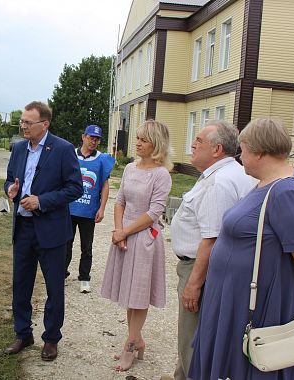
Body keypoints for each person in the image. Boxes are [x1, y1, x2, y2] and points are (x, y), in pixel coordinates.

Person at [189, 118, 294, 380]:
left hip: (259, 306)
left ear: (260, 151)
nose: (241, 157)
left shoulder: (287, 192)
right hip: (237, 300)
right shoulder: (270, 183)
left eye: (244, 149)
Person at [164, 121, 254, 380]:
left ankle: (191, 374)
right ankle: (182, 374)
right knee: (193, 333)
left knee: (193, 336)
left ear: (217, 149)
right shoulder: (225, 174)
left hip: (200, 267)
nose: (193, 144)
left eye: (199, 140)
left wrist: (193, 284)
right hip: (203, 266)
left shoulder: (220, 181)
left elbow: (212, 238)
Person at [3, 101, 83, 362]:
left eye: (28, 122)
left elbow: (75, 188)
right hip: (23, 227)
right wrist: (10, 191)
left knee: (54, 288)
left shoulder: (63, 149)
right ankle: (23, 333)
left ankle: (51, 339)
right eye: (22, 121)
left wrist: (42, 201)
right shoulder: (18, 149)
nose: (23, 126)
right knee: (21, 284)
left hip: (50, 229)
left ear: (44, 124)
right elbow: (9, 179)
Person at [100, 120, 172, 372]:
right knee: (129, 293)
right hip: (125, 235)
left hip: (144, 239)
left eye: (143, 139)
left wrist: (126, 232)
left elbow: (154, 212)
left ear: (156, 144)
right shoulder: (130, 168)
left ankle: (129, 346)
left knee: (138, 296)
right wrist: (118, 231)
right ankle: (137, 339)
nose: (138, 143)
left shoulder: (161, 174)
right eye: (138, 138)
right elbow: (119, 201)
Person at [66, 124, 115, 293]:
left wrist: (102, 208)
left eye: (97, 139)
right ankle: (61, 273)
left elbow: (105, 185)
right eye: (91, 137)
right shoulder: (70, 154)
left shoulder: (102, 159)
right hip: (69, 209)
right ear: (83, 137)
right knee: (65, 243)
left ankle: (84, 277)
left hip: (88, 211)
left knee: (86, 246)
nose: (93, 141)